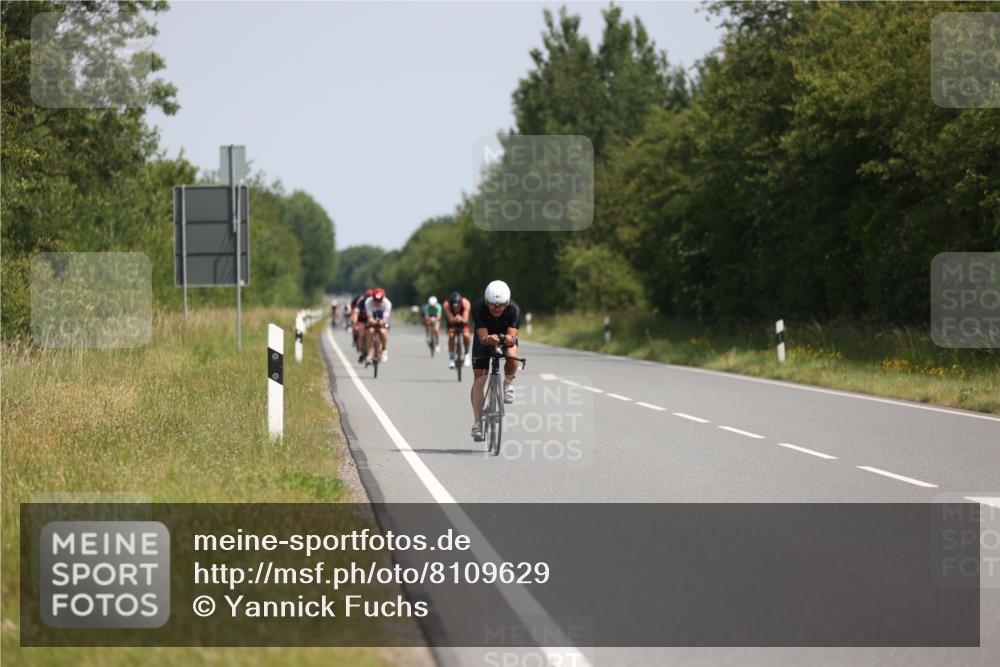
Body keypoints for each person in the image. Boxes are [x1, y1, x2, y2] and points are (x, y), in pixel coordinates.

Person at [470, 280, 520, 441]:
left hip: (505, 337)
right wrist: (488, 339)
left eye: (501, 305)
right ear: (486, 302)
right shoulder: (478, 307)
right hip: (484, 338)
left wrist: (507, 340)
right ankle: (477, 423)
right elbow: (483, 338)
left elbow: (512, 337)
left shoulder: (514, 309)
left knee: (512, 354)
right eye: (492, 305)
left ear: (507, 303)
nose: (497, 308)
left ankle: (508, 384)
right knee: (479, 379)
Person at [363, 287, 392, 365]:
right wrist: (373, 322)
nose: (378, 302)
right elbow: (369, 317)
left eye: (380, 300)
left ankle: (384, 350)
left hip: (382, 317)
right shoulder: (368, 302)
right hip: (373, 317)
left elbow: (385, 318)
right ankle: (369, 354)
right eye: (376, 300)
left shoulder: (387, 303)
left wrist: (381, 322)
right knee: (370, 331)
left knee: (383, 331)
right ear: (373, 298)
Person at [444, 291, 472, 370]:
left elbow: (466, 318)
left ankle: (466, 354)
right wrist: (454, 319)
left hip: (463, 320)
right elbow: (450, 317)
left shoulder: (466, 303)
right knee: (451, 335)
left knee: (466, 335)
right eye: (454, 306)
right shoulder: (446, 305)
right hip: (452, 321)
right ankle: (451, 358)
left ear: (460, 303)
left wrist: (461, 318)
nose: (456, 308)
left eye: (458, 306)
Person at [352, 288, 373, 361]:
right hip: (362, 319)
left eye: (370, 296)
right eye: (367, 296)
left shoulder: (374, 302)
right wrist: (355, 323)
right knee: (361, 334)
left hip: (371, 319)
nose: (368, 298)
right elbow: (356, 312)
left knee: (370, 333)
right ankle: (361, 351)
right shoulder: (361, 302)